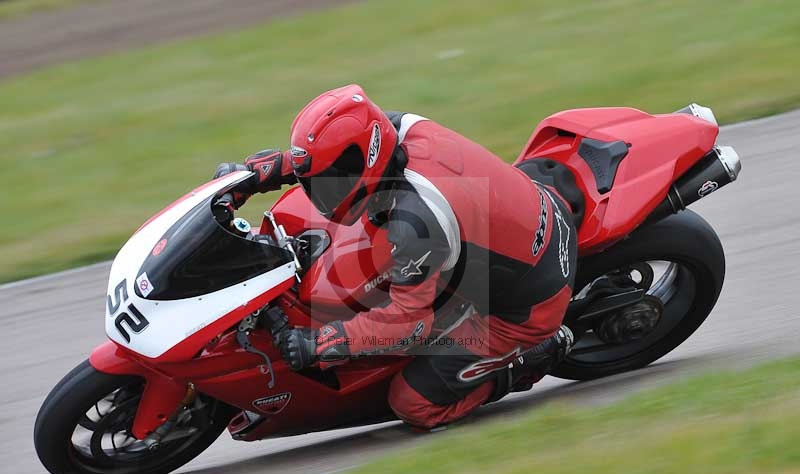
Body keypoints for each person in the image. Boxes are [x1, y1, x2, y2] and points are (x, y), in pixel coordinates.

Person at [214, 84, 577, 430]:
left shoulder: (415, 224)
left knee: (413, 403)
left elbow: (408, 325)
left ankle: (532, 355)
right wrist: (263, 172)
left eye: (329, 182)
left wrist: (322, 342)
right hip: (521, 218)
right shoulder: (396, 128)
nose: (320, 193)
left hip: (524, 304)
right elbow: (332, 156)